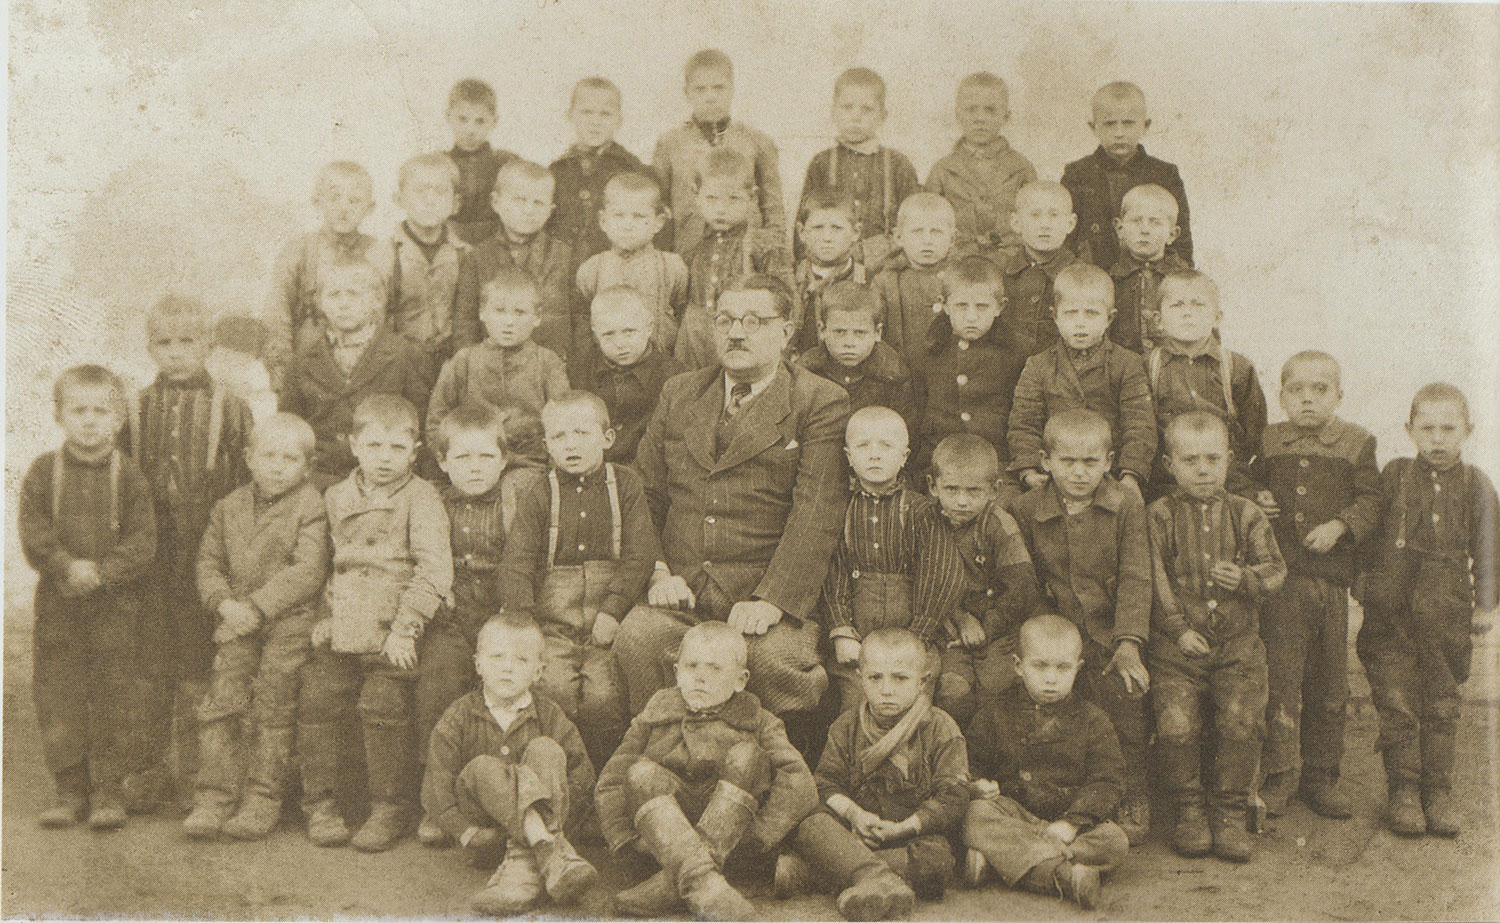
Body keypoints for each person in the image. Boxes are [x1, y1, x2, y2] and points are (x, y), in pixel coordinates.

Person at [612, 275, 850, 746]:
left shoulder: (818, 401)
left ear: (786, 332)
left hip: (761, 596)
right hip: (683, 593)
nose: (736, 333)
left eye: (754, 321)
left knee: (775, 664)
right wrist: (657, 571)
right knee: (638, 639)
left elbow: (816, 513)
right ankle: (666, 760)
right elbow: (645, 495)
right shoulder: (680, 392)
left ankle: (771, 771)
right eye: (725, 320)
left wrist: (772, 601)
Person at [297, 394, 453, 852]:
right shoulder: (336, 497)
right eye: (374, 446)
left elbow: (435, 569)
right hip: (344, 622)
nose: (385, 458)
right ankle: (320, 804)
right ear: (354, 445)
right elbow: (326, 566)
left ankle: (390, 806)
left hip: (393, 626)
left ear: (415, 451)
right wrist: (325, 615)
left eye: (397, 448)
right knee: (318, 697)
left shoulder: (421, 497)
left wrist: (406, 627)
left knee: (383, 703)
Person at [122, 295, 254, 814]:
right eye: (164, 342)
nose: (176, 352)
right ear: (150, 347)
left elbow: (245, 487)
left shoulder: (230, 406)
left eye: (187, 341)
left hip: (206, 552)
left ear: (208, 344)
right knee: (151, 662)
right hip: (153, 557)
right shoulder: (135, 407)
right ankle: (148, 768)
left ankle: (198, 775)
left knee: (200, 663)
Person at [595, 622, 818, 919]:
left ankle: (677, 882)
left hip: (735, 836)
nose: (700, 676)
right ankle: (705, 885)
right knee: (640, 774)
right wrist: (630, 840)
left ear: (740, 680)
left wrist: (758, 835)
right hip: (664, 838)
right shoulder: (653, 716)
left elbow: (799, 782)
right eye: (691, 666)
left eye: (714, 668)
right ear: (677, 673)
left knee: (748, 756)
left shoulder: (760, 721)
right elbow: (611, 780)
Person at [1356, 383, 1499, 838]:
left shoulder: (1477, 484)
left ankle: (1437, 792)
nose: (1437, 438)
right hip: (1391, 615)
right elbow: (1369, 529)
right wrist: (1364, 582)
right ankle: (1402, 790)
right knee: (1396, 702)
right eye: (1427, 428)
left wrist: (1485, 605)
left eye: (1448, 429)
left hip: (1446, 615)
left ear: (1468, 430)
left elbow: (1490, 550)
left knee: (1441, 704)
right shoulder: (1395, 474)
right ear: (1410, 430)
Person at [1008, 410, 1154, 844]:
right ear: (1045, 461)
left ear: (1109, 461)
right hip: (1052, 629)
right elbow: (1024, 579)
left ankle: (1130, 791)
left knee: (1124, 696)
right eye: (1067, 461)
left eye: (1090, 462)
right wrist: (1045, 634)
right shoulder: (1026, 508)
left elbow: (1136, 576)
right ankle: (1050, 796)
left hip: (1109, 632)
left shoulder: (1126, 505)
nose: (1078, 472)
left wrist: (1128, 642)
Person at [20, 365, 156, 830]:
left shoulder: (130, 476)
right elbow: (34, 533)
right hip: (59, 603)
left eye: (101, 411)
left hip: (114, 605)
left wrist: (104, 573)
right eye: (79, 410)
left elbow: (142, 541)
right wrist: (65, 566)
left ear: (119, 419)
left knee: (115, 691)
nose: (90, 420)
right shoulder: (43, 472)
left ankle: (108, 791)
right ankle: (69, 789)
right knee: (59, 691)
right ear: (58, 415)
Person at [1148, 411, 1285, 862]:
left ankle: (1229, 812)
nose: (1203, 470)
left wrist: (1246, 578)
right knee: (1176, 724)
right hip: (1177, 650)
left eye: (1212, 459)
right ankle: (1188, 810)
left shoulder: (1246, 513)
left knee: (1241, 721)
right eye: (1190, 460)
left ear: (1229, 459)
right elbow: (1154, 580)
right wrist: (1178, 630)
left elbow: (1276, 570)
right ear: (1169, 464)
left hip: (1238, 648)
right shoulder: (1160, 515)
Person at [184, 414, 328, 841]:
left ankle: (263, 798)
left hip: (290, 620)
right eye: (269, 456)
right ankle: (214, 796)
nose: (278, 467)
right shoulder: (227, 507)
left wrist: (258, 607)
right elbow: (208, 563)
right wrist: (225, 604)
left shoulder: (311, 505)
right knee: (223, 694)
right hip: (238, 619)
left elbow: (308, 569)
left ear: (308, 466)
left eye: (290, 458)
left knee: (274, 699)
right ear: (249, 458)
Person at [497, 391, 661, 765]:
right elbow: (517, 562)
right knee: (552, 690)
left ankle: (602, 777)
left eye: (581, 433)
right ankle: (562, 775)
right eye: (559, 436)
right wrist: (524, 625)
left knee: (605, 697)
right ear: (546, 446)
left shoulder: (627, 485)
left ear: (607, 438)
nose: (570, 445)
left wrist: (613, 611)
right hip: (553, 624)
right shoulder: (540, 492)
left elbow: (640, 556)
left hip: (608, 621)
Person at [1251, 351, 1381, 819]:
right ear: (1282, 397)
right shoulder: (1268, 441)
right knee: (1282, 681)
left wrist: (1341, 526)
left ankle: (1321, 777)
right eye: (1296, 390)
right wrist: (1255, 496)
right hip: (1282, 585)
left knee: (1329, 686)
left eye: (1320, 389)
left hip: (1330, 587)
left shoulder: (1357, 442)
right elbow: (1242, 479)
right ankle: (1280, 775)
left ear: (1338, 396)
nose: (1308, 399)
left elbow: (1372, 500)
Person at [777, 627, 968, 916]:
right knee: (811, 823)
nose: (886, 689)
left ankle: (821, 872)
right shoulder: (846, 726)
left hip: (909, 835)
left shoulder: (940, 728)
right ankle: (875, 877)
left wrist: (903, 828)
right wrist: (855, 815)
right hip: (855, 831)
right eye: (875, 678)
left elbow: (953, 796)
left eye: (900, 678)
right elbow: (826, 784)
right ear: (860, 678)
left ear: (922, 681)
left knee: (936, 861)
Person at [422, 616, 597, 915]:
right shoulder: (458, 717)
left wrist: (563, 820)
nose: (507, 667)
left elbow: (581, 774)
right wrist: (466, 833)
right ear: (478, 664)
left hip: (549, 823)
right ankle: (550, 851)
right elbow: (437, 786)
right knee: (481, 768)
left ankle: (526, 869)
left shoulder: (550, 715)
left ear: (538, 671)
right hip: (488, 833)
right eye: (497, 657)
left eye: (521, 660)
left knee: (546, 749)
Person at [963, 614, 1130, 910]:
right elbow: (971, 763)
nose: (1051, 678)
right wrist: (978, 785)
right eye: (1040, 666)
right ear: (1018, 666)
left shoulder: (1093, 719)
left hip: (1069, 822)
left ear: (1078, 668)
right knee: (976, 813)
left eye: (1063, 667)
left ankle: (1000, 861)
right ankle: (1065, 877)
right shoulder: (994, 714)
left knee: (1115, 842)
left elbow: (1108, 780)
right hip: (1015, 816)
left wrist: (1072, 822)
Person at [414, 402, 516, 847]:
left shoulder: (514, 501)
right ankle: (437, 802)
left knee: (504, 689)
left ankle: (498, 799)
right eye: (463, 457)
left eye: (486, 456)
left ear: (504, 460)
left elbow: (523, 562)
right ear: (442, 461)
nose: (475, 467)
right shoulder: (433, 502)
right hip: (451, 618)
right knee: (438, 686)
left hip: (501, 613)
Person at [823, 407, 965, 713]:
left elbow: (941, 572)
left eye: (886, 446)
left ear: (904, 456)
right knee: (855, 703)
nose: (874, 454)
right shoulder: (841, 511)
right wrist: (842, 631)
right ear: (849, 456)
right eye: (863, 446)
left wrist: (919, 636)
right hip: (860, 637)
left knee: (915, 704)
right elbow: (834, 572)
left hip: (915, 632)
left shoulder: (921, 511)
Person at [279, 257, 434, 489]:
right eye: (334, 295)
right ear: (320, 303)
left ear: (376, 301)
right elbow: (289, 428)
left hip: (385, 479)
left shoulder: (404, 355)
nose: (343, 304)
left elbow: (421, 426)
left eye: (354, 294)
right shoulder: (302, 360)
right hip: (320, 478)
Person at [1007, 262, 1156, 495]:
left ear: (1109, 318)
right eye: (1070, 313)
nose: (1080, 322)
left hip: (1109, 476)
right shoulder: (1038, 366)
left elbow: (1139, 424)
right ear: (1055, 316)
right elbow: (1024, 423)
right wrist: (1029, 470)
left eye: (1091, 313)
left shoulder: (1128, 364)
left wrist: (1130, 475)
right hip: (1055, 477)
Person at [926, 435, 1041, 726]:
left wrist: (987, 628)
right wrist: (959, 618)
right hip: (950, 628)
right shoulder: (926, 523)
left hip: (999, 629)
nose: (962, 501)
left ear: (994, 490)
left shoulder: (1001, 527)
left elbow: (1022, 591)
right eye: (951, 489)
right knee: (952, 691)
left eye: (973, 491)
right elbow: (924, 580)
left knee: (999, 692)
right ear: (933, 486)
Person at [427, 267, 571, 472]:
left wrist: (552, 471)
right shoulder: (464, 361)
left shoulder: (547, 362)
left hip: (531, 465)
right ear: (482, 313)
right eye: (499, 311)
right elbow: (437, 422)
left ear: (537, 317)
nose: (508, 322)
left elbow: (563, 421)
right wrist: (455, 464)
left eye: (520, 312)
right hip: (473, 466)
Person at [1144, 270, 1268, 500]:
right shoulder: (1147, 367)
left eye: (1198, 305)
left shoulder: (1236, 367)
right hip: (1167, 485)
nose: (1187, 313)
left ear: (1217, 317)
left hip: (1227, 485)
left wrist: (1255, 484)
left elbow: (1256, 434)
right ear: (1158, 320)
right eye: (1177, 305)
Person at [262, 160, 383, 384]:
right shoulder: (300, 250)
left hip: (365, 365)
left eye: (354, 200)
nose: (344, 208)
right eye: (334, 198)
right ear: (317, 202)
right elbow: (277, 311)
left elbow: (387, 313)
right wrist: (282, 369)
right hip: (310, 364)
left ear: (369, 208)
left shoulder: (378, 253)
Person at [654, 48, 784, 255]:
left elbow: (773, 210)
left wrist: (769, 253)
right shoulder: (670, 144)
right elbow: (660, 207)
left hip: (744, 255)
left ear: (732, 89)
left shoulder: (757, 142)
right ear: (686, 92)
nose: (710, 97)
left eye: (719, 88)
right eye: (700, 89)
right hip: (689, 253)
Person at [677, 148, 794, 369]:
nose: (721, 209)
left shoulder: (762, 245)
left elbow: (787, 300)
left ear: (752, 197)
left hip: (741, 335)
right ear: (696, 195)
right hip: (693, 339)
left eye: (733, 199)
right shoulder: (692, 243)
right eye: (711, 198)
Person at [796, 67, 920, 270]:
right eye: (847, 107)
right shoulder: (822, 163)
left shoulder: (898, 164)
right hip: (833, 268)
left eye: (867, 109)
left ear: (882, 116)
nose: (855, 117)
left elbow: (916, 224)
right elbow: (804, 224)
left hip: (887, 269)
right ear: (833, 112)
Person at [911, 254, 1025, 475]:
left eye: (982, 307)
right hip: (938, 464)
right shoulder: (928, 352)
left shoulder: (1017, 353)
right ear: (945, 305)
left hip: (996, 464)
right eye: (961, 306)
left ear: (1000, 307)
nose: (971, 317)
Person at [1063, 81, 1192, 271]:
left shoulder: (1165, 174)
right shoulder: (1078, 174)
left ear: (1145, 125)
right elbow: (1065, 239)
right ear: (1093, 127)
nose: (1119, 133)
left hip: (1149, 275)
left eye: (1128, 123)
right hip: (1093, 276)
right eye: (1109, 124)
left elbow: (1181, 244)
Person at [453, 159, 574, 357]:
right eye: (520, 200)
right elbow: (465, 324)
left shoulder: (565, 257)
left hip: (548, 365)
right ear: (496, 202)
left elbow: (578, 321)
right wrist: (469, 365)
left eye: (538, 203)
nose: (528, 210)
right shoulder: (477, 258)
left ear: (550, 211)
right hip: (490, 365)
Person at [924, 72, 1037, 265]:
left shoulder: (1021, 168)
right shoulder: (943, 170)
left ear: (1006, 116)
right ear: (958, 115)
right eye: (971, 110)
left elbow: (1035, 219)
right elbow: (927, 221)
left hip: (1010, 263)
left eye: (990, 110)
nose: (980, 118)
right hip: (957, 262)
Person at [566, 285, 686, 464]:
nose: (620, 343)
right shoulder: (581, 370)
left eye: (629, 332)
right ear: (595, 332)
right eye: (608, 334)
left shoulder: (673, 376)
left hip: (648, 470)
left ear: (648, 328)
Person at [574, 171, 689, 353]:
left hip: (660, 361)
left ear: (658, 222)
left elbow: (682, 314)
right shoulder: (592, 270)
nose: (628, 225)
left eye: (639, 216)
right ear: (603, 221)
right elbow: (583, 322)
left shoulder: (672, 267)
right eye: (619, 215)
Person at [548, 77, 649, 277]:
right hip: (564, 271)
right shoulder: (557, 170)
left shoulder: (631, 169)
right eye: (586, 112)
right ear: (570, 115)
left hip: (614, 271)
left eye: (605, 114)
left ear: (619, 121)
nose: (595, 122)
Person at [382, 152, 468, 364]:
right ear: (399, 199)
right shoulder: (385, 254)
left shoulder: (465, 254)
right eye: (419, 190)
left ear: (455, 203)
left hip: (452, 362)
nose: (430, 200)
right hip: (399, 362)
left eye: (441, 191)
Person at [797, 281, 915, 427]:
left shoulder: (893, 376)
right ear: (822, 330)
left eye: (860, 333)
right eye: (839, 332)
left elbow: (904, 431)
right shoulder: (807, 372)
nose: (849, 343)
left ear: (877, 332)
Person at [871, 192, 960, 364]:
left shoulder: (961, 278)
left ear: (952, 238)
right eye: (917, 232)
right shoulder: (886, 282)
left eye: (936, 232)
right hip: (901, 372)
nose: (927, 240)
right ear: (899, 237)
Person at [1107, 183, 1192, 354]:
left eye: (1155, 222)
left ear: (1172, 234)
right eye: (1136, 221)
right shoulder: (1110, 280)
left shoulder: (1187, 281)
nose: (1144, 230)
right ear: (1120, 228)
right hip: (1123, 367)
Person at [1001, 181, 1084, 355]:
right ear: (1016, 222)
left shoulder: (1081, 277)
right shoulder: (1002, 273)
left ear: (1070, 223)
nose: (1045, 224)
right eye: (1035, 215)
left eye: (1054, 215)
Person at [791, 191, 873, 352]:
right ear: (802, 232)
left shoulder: (868, 281)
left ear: (855, 232)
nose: (827, 238)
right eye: (818, 228)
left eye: (836, 228)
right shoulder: (791, 278)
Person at [444, 78, 518, 246]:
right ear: (448, 116)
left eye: (480, 121)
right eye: (463, 119)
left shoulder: (507, 164)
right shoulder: (440, 164)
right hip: (450, 245)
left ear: (494, 121)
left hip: (498, 246)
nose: (470, 130)